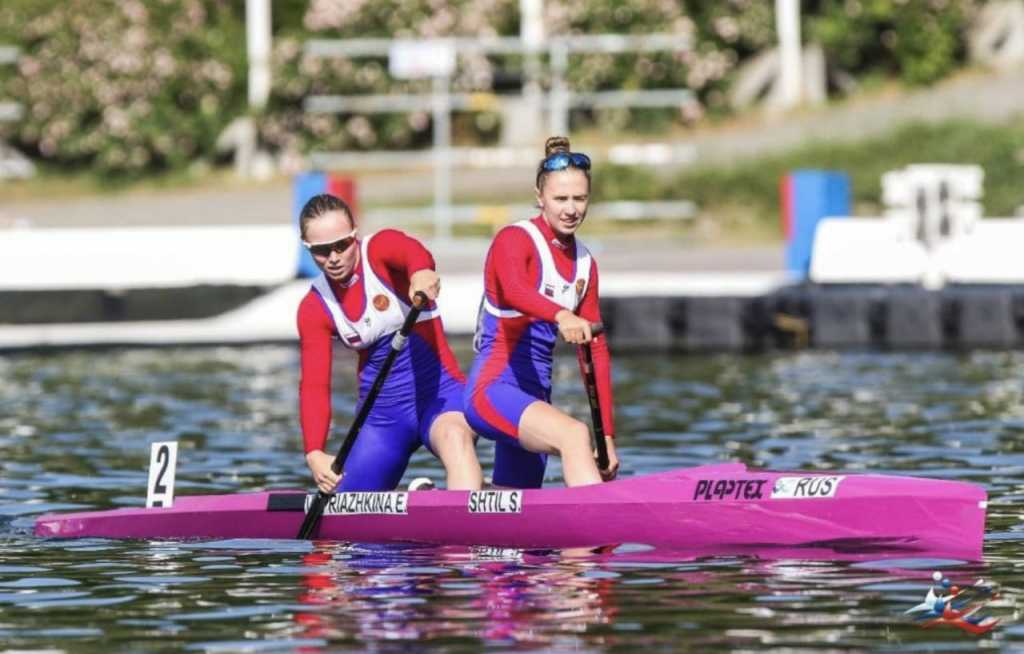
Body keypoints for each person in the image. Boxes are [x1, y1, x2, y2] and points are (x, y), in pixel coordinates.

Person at [297, 193, 483, 493]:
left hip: (439, 396)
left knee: (455, 438)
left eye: (341, 245)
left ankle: (469, 525)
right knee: (345, 509)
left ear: (354, 235)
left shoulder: (379, 251)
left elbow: (411, 251)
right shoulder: (314, 307)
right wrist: (314, 452)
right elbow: (315, 385)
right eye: (320, 250)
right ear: (307, 247)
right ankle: (428, 499)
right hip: (382, 418)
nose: (333, 258)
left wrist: (421, 271)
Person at [464, 136, 619, 488]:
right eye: (560, 198)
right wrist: (562, 316)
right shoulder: (514, 240)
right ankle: (596, 540)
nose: (571, 209)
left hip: (536, 398)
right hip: (492, 390)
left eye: (579, 198)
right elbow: (515, 290)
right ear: (540, 198)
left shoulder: (585, 265)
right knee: (574, 435)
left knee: (516, 504)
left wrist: (607, 435)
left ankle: (443, 501)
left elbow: (596, 350)